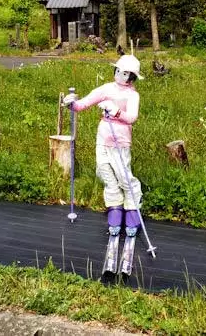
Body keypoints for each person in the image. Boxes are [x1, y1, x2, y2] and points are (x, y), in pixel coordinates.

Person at [64, 54, 142, 272]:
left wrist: (115, 110)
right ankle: (115, 208)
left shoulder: (132, 95)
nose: (121, 76)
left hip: (121, 140)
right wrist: (72, 104)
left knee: (123, 175)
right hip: (103, 139)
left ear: (132, 77)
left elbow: (132, 117)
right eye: (119, 71)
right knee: (106, 174)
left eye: (126, 74)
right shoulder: (107, 88)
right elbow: (84, 104)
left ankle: (132, 208)